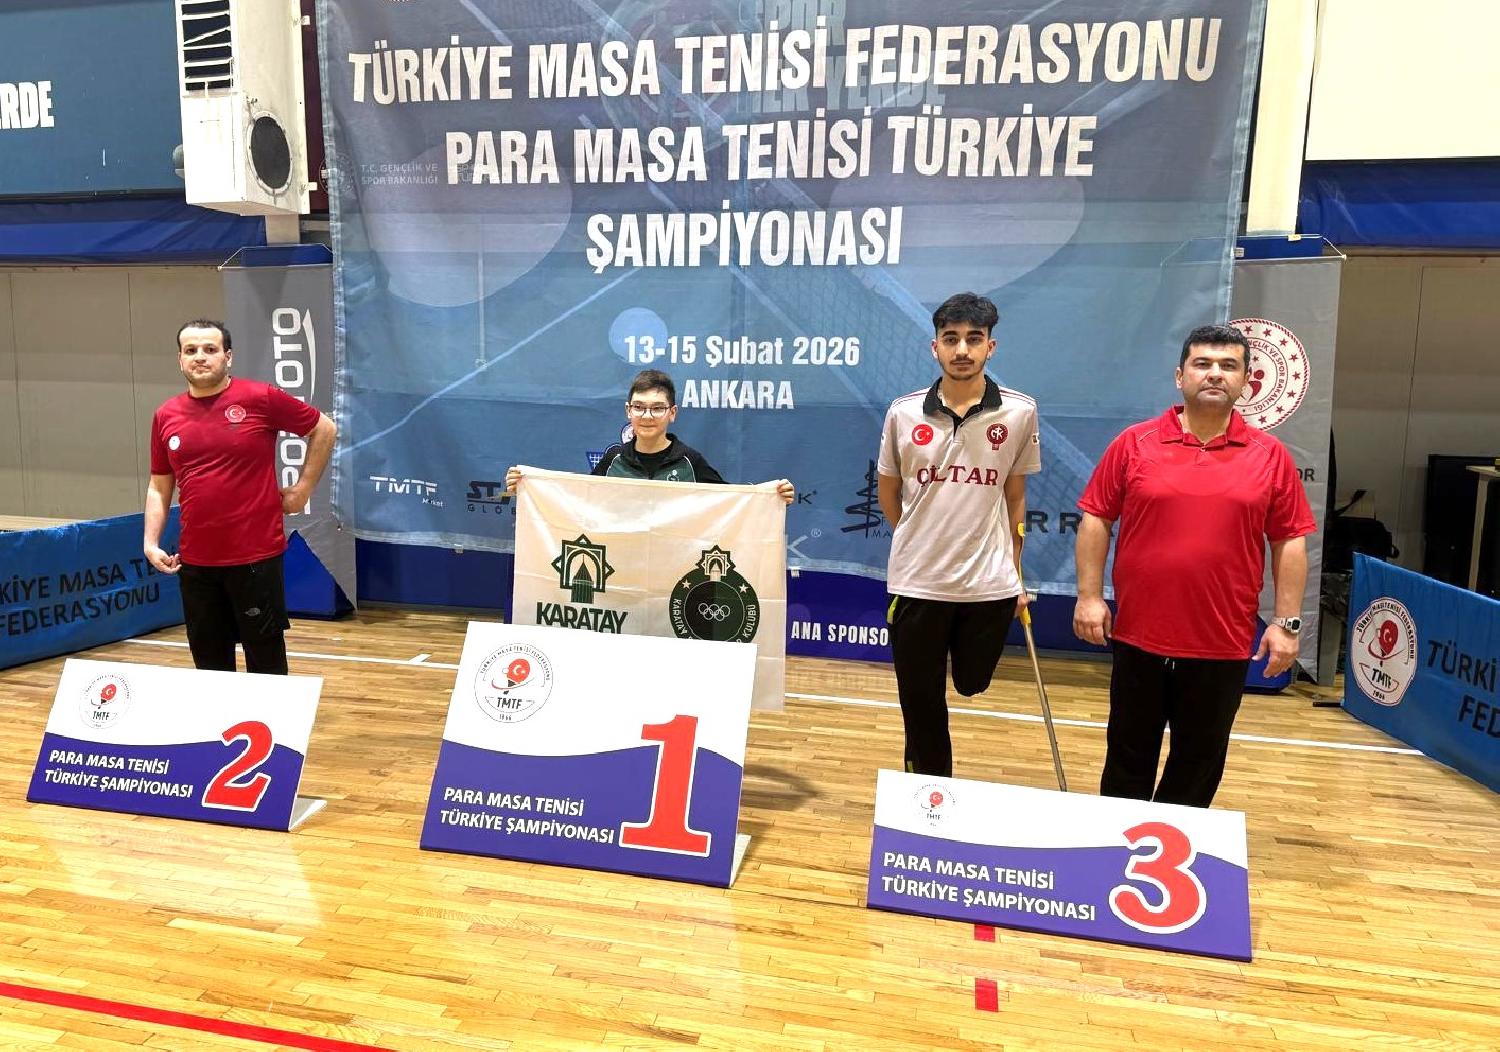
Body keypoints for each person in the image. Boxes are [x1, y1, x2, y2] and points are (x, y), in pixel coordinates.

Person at [1073, 323, 1315, 807]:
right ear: (1180, 375)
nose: (1215, 374)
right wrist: (1089, 596)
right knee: (1127, 758)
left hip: (1222, 642)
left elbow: (1289, 541)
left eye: (1228, 366)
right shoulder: (1135, 443)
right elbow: (1096, 518)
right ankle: (1114, 847)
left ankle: (1175, 848)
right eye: (1202, 364)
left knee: (1198, 764)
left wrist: (1287, 624)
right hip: (1139, 636)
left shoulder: (1270, 456)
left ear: (1245, 381)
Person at [876, 292, 1041, 777]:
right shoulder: (903, 412)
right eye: (951, 339)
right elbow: (889, 491)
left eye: (974, 338)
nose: (962, 350)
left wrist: (1014, 572)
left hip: (988, 585)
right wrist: (916, 537)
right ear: (935, 347)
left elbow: (1015, 497)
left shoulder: (1019, 412)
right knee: (921, 704)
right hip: (918, 583)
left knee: (972, 682)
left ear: (991, 346)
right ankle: (930, 797)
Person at [143, 320, 337, 675]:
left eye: (210, 349)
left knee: (266, 666)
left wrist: (302, 489)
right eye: (191, 350)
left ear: (228, 357)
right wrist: (150, 542)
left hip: (255, 559)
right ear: (180, 359)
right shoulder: (166, 415)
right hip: (196, 562)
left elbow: (323, 428)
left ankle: (271, 714)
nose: (200, 357)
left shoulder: (260, 398)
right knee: (210, 666)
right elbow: (159, 484)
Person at [506, 369, 794, 502]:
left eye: (657, 408)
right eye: (639, 407)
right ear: (628, 411)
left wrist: (770, 496)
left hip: (675, 568)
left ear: (672, 413)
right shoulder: (614, 459)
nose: (647, 416)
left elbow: (732, 502)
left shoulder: (690, 462)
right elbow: (579, 498)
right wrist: (530, 487)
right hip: (622, 566)